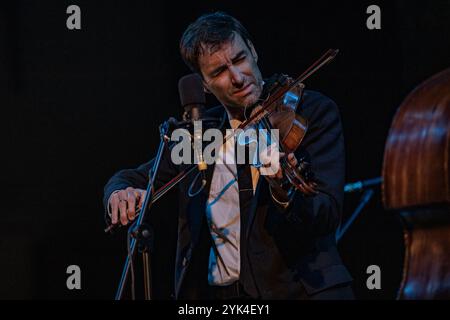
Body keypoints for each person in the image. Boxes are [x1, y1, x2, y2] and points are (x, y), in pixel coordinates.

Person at [103, 11, 353, 300]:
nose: (236, 77)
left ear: (254, 51)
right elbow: (132, 177)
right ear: (204, 85)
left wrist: (284, 192)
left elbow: (326, 214)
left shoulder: (309, 113)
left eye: (239, 59)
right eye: (219, 72)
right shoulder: (201, 136)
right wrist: (118, 192)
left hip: (302, 290)